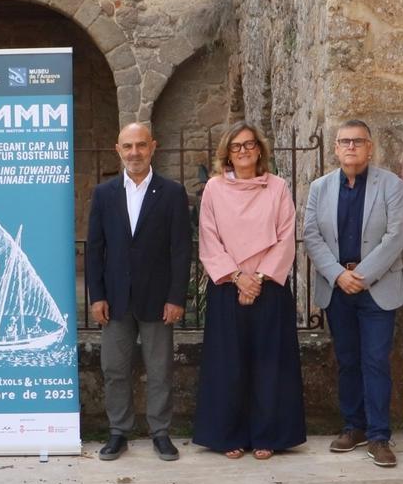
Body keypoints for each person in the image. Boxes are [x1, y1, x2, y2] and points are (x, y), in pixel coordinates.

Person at [192, 121, 305, 460]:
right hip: (228, 286)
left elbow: (286, 237)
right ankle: (229, 435)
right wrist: (238, 277)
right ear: (227, 153)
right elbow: (209, 237)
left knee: (269, 365)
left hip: (269, 287)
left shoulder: (278, 187)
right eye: (236, 146)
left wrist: (258, 279)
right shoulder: (214, 189)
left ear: (259, 150)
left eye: (249, 144)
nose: (243, 151)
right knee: (228, 365)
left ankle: (268, 435)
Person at [303, 120, 403, 468]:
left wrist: (361, 276)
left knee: (375, 360)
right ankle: (354, 427)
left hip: (376, 287)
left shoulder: (390, 185)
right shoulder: (320, 188)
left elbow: (396, 235)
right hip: (337, 288)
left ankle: (379, 436)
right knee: (347, 360)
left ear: (370, 147)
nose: (351, 147)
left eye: (358, 141)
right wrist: (338, 275)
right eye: (345, 141)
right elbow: (311, 235)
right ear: (335, 148)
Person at [86, 123, 191, 461]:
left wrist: (176, 297)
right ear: (118, 150)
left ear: (153, 147)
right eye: (128, 146)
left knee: (160, 370)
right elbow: (94, 249)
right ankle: (118, 431)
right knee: (114, 369)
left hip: (158, 299)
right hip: (115, 299)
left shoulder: (172, 193)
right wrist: (97, 296)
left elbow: (181, 250)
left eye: (141, 145)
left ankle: (160, 432)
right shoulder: (104, 194)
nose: (135, 153)